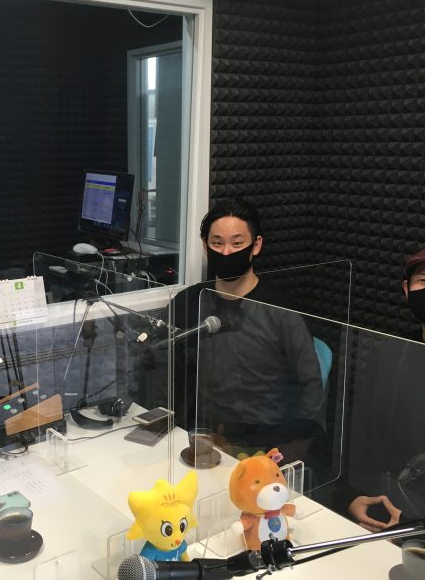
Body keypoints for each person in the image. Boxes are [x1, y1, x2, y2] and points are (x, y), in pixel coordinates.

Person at [168, 197, 324, 459]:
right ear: (205, 246)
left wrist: (293, 446)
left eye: (237, 243)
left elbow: (311, 383)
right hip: (204, 437)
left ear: (256, 246)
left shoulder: (281, 310)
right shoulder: (188, 303)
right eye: (217, 243)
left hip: (265, 441)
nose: (226, 252)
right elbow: (167, 372)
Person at [335, 248, 425, 531]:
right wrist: (353, 496)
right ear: (407, 290)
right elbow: (362, 431)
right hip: (386, 506)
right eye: (424, 280)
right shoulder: (392, 354)